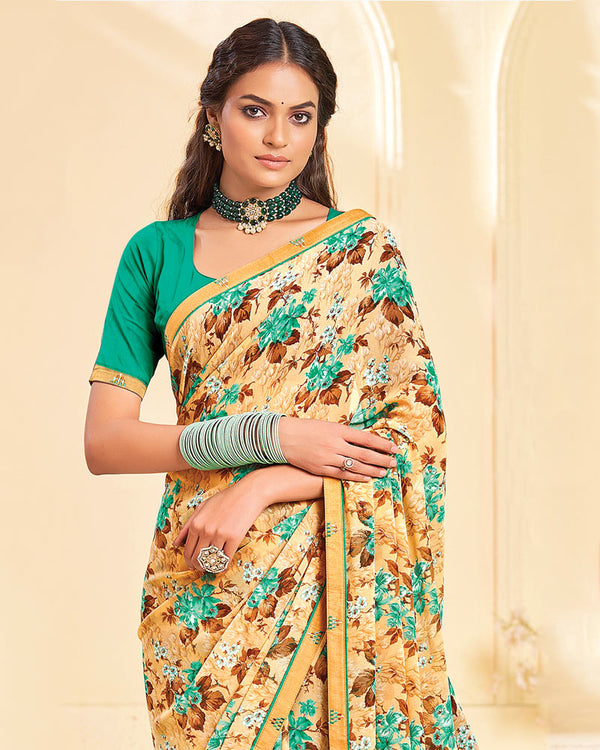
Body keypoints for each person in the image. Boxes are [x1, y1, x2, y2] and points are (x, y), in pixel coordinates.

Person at [84, 17, 479, 750]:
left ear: (319, 128)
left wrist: (263, 483)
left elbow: (411, 435)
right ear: (213, 116)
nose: (277, 137)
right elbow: (105, 443)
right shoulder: (156, 253)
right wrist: (264, 434)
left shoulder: (362, 253)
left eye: (301, 116)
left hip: (337, 584)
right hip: (205, 587)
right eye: (254, 110)